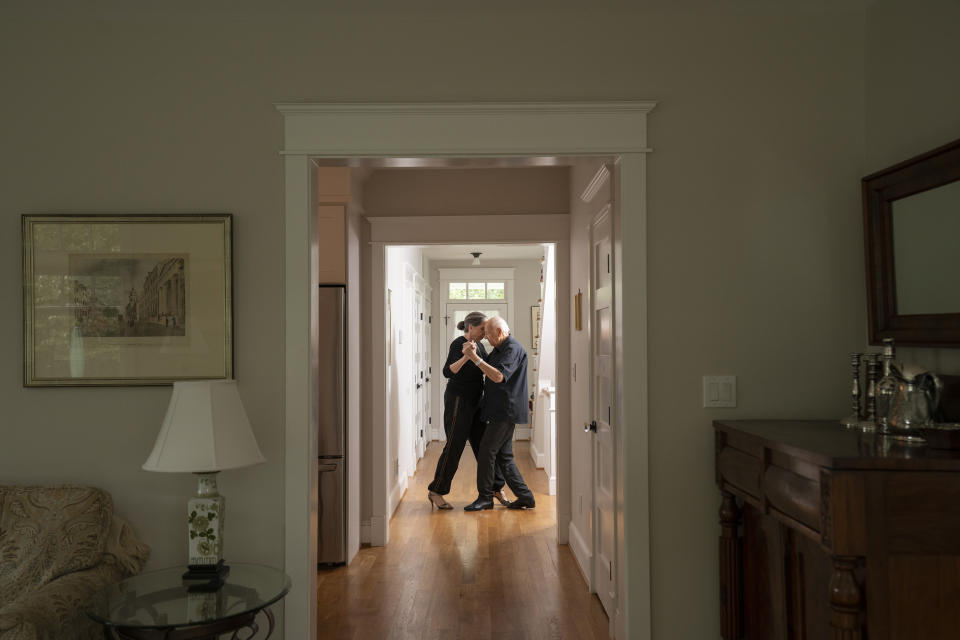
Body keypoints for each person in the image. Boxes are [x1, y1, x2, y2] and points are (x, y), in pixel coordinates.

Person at [427, 311, 511, 510]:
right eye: (482, 329)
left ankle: (496, 488)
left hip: (477, 401)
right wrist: (466, 356)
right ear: (470, 327)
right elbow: (448, 371)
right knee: (455, 446)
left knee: (485, 447)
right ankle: (436, 491)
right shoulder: (458, 344)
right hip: (458, 400)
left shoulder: (480, 345)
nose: (485, 332)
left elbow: (488, 366)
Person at [463, 316, 536, 511]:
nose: (485, 337)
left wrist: (475, 358)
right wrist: (473, 349)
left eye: (488, 333)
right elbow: (489, 366)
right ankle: (525, 497)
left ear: (501, 332)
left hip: (506, 410)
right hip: (498, 409)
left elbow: (498, 376)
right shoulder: (499, 349)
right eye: (484, 333)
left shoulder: (512, 348)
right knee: (505, 457)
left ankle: (485, 498)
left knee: (486, 451)